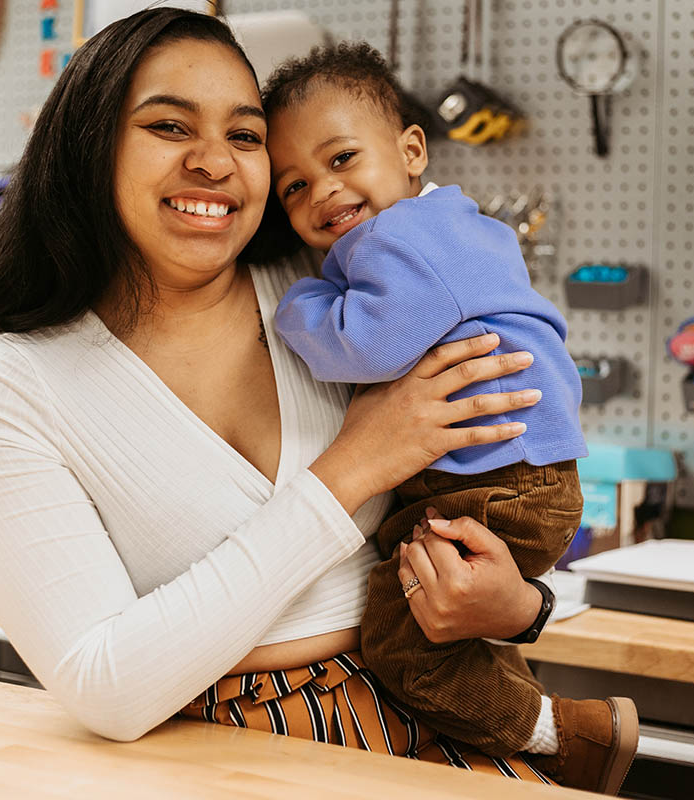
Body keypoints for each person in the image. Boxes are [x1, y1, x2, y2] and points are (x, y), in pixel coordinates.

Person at [0, 7, 557, 786]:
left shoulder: (337, 305)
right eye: (170, 126)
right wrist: (350, 469)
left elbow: (497, 481)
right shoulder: (5, 387)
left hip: (444, 707)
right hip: (225, 758)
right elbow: (109, 686)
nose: (214, 162)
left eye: (244, 135)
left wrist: (523, 607)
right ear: (90, 146)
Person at [262, 42, 638, 795]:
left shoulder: (406, 240)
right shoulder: (451, 227)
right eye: (295, 185)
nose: (323, 193)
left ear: (411, 151)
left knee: (403, 644)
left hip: (495, 484)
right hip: (513, 480)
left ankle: (567, 735)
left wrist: (296, 304)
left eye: (342, 159)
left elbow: (366, 342)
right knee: (447, 626)